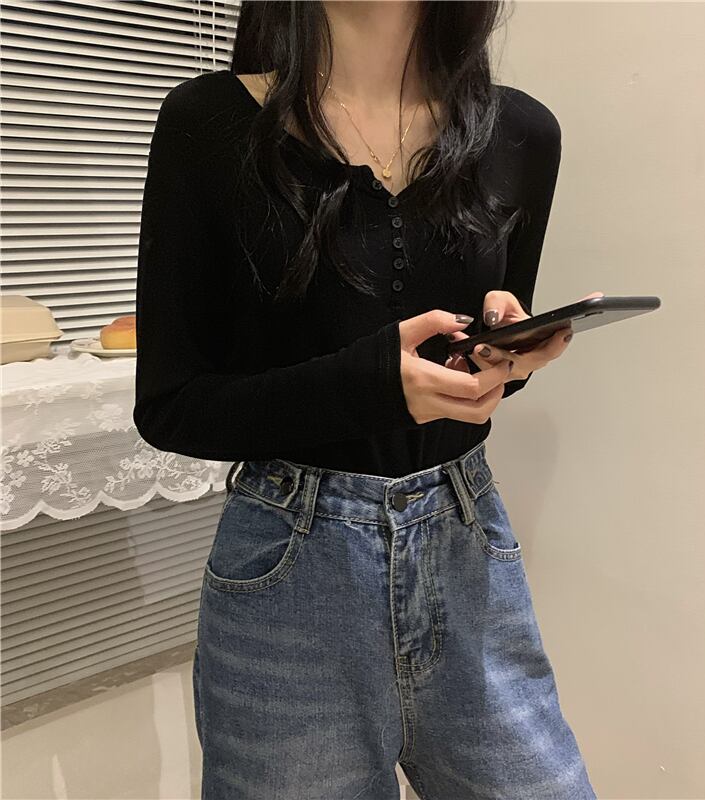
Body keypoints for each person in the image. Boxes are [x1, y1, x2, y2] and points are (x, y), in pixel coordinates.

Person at [134, 1, 598, 797]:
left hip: (467, 552)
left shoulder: (523, 133)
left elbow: (477, 369)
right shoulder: (208, 123)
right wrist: (371, 386)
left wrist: (502, 358)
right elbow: (173, 404)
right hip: (288, 572)